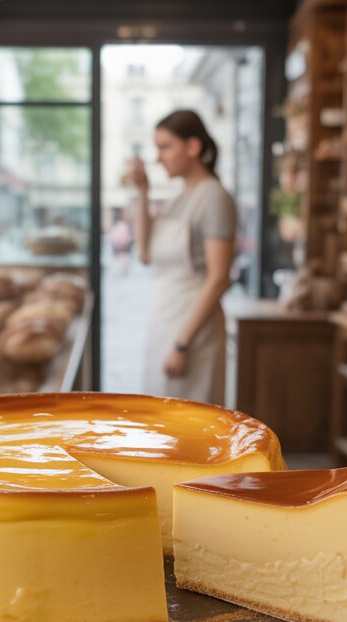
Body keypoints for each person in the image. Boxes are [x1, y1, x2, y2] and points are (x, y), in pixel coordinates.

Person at [126, 110, 237, 405]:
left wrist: (182, 343)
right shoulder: (177, 198)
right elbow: (145, 253)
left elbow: (219, 278)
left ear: (193, 147)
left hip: (193, 334)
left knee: (189, 431)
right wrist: (142, 192)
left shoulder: (213, 197)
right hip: (165, 321)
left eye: (165, 147)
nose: (158, 157)